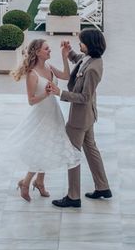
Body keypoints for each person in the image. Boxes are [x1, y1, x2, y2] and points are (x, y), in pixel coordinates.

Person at [7, 39, 81, 202]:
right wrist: (46, 94)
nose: (49, 51)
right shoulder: (32, 74)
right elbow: (31, 100)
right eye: (47, 49)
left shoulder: (48, 67)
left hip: (53, 112)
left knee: (49, 146)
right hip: (41, 116)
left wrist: (64, 56)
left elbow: (66, 76)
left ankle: (39, 181)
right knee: (42, 148)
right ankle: (26, 183)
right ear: (38, 52)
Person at [47, 28, 111, 208]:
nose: (79, 43)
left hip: (79, 119)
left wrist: (60, 92)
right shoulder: (91, 59)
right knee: (91, 149)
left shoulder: (93, 70)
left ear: (89, 45)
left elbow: (85, 97)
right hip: (88, 117)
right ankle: (103, 186)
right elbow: (79, 62)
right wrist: (69, 54)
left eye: (81, 42)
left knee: (72, 154)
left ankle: (73, 196)